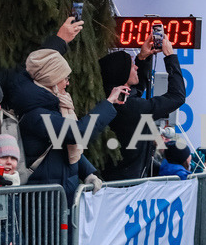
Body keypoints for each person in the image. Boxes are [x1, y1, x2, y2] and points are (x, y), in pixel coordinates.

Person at [16, 49, 127, 198]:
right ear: (52, 80)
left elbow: (66, 148)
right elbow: (78, 133)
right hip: (44, 202)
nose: (68, 83)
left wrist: (88, 173)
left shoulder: (56, 107)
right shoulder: (37, 115)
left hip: (60, 195)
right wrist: (108, 102)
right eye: (65, 78)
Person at [98, 34, 186, 180]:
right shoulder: (131, 107)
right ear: (122, 75)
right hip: (125, 186)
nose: (136, 67)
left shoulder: (113, 98)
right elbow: (177, 97)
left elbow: (135, 92)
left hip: (118, 179)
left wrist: (142, 58)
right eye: (132, 65)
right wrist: (170, 57)